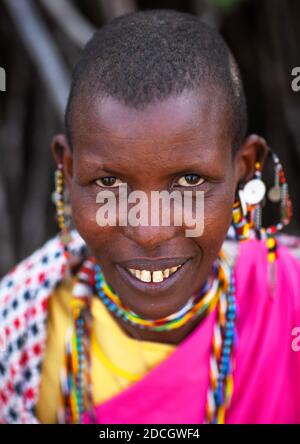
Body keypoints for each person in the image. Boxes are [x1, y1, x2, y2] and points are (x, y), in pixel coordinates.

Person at [0, 9, 299, 425]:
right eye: (108, 183)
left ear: (245, 169)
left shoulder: (289, 303)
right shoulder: (18, 329)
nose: (150, 230)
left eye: (190, 180)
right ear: (69, 172)